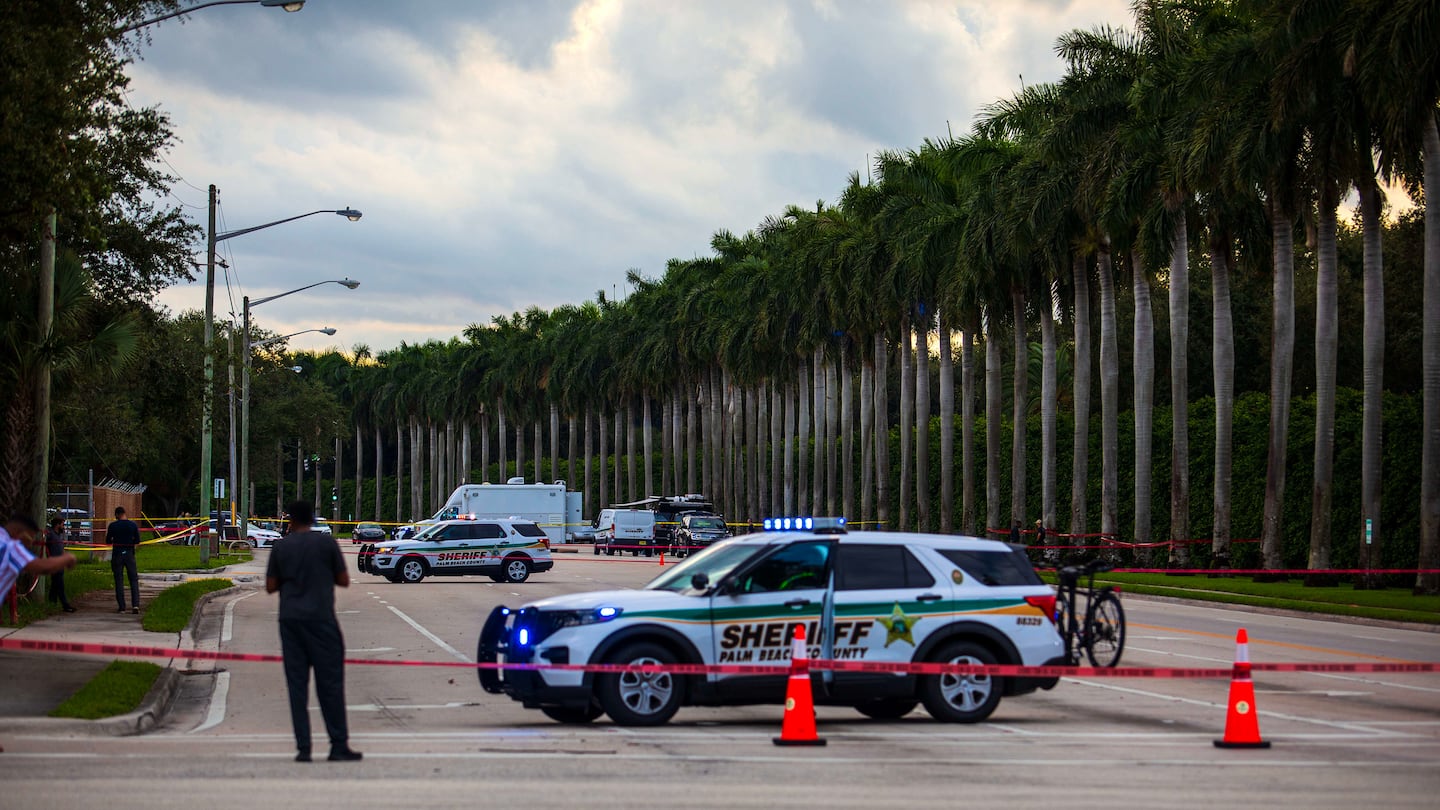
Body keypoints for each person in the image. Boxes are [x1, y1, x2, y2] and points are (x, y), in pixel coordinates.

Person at [265, 500, 361, 763]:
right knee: (330, 684)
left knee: (297, 686)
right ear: (313, 520)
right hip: (322, 620)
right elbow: (343, 580)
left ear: (291, 521)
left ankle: (304, 748)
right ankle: (338, 744)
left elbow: (271, 586)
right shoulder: (326, 544)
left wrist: (291, 579)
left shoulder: (281, 547)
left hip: (291, 621)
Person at [1, 515, 78, 601]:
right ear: (19, 531)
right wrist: (68, 558)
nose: (30, 544)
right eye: (30, 538)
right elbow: (42, 567)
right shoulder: (10, 547)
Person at [106, 505, 141, 614]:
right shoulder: (132, 525)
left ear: (117, 515)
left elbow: (108, 541)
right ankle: (135, 605)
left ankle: (122, 607)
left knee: (119, 580)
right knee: (133, 580)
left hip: (117, 554)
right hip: (129, 554)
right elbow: (137, 541)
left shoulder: (113, 526)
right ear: (124, 513)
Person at [45, 517, 77, 612]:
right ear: (57, 525)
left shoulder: (58, 536)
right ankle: (65, 605)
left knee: (55, 584)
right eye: (62, 525)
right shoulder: (50, 534)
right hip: (54, 563)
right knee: (59, 584)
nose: (64, 527)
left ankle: (52, 602)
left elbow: (61, 549)